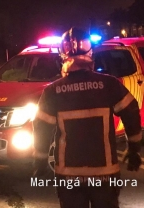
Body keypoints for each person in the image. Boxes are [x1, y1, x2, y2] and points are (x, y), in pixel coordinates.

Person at [33, 27, 142, 208]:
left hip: (68, 175)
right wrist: (134, 150)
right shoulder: (109, 84)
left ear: (63, 55)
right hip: (105, 174)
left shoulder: (52, 92)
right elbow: (131, 112)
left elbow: (42, 128)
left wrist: (40, 161)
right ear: (91, 53)